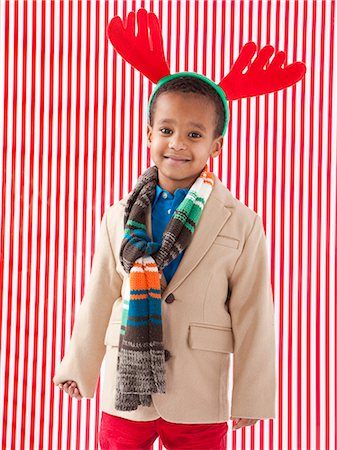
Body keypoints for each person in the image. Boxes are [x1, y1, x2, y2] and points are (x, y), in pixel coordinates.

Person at [54, 8, 306, 449]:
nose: (177, 143)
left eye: (194, 134)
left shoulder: (240, 221)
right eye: (167, 129)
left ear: (216, 145)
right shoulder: (119, 215)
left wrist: (251, 395)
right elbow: (99, 293)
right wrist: (79, 365)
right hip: (125, 388)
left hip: (199, 390)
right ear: (149, 133)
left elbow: (253, 310)